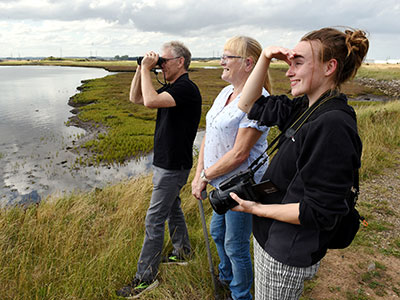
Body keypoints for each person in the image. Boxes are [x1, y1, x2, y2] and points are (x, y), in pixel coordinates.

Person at [230, 27, 369, 299]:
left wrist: (256, 209)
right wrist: (266, 56)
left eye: (299, 62)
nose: (288, 71)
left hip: (287, 250)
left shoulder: (333, 125)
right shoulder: (306, 107)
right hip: (272, 237)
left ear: (330, 67)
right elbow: (246, 104)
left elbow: (321, 212)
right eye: (289, 62)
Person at [117, 41, 202, 298]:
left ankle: (145, 279)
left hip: (173, 166)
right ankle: (183, 252)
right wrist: (139, 69)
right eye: (159, 61)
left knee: (153, 220)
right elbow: (136, 98)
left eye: (164, 61)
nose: (160, 65)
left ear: (180, 62)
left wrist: (146, 69)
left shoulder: (186, 88)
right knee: (172, 209)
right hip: (167, 163)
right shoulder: (174, 87)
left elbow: (150, 101)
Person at [192, 36, 271, 300]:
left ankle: (240, 295)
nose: (221, 61)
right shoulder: (226, 93)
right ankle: (226, 277)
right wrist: (199, 175)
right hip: (220, 184)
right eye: (222, 55)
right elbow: (209, 134)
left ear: (248, 63)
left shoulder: (259, 100)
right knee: (217, 232)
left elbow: (240, 154)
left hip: (241, 188)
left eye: (228, 57)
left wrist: (206, 175)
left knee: (235, 245)